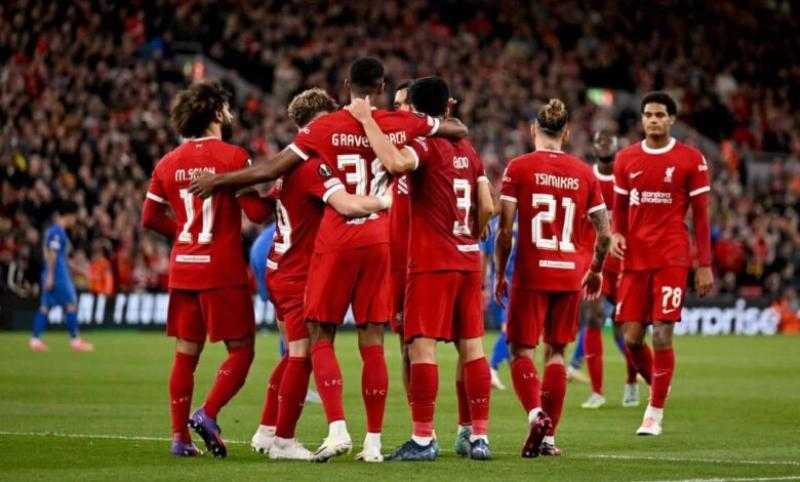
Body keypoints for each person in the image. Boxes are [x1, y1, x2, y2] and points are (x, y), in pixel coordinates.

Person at [188, 57, 468, 463]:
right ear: (382, 86)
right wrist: (439, 128)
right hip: (379, 240)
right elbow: (455, 129)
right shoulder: (396, 122)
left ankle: (331, 429)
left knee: (315, 339)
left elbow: (271, 170)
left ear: (346, 83)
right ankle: (372, 443)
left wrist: (219, 181)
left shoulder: (321, 131)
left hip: (334, 241)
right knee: (372, 343)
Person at [346, 76, 495, 461]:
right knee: (473, 347)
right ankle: (479, 437)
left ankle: (424, 439)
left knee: (420, 347)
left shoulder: (425, 145)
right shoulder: (469, 150)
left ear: (413, 109)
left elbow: (395, 162)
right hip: (468, 257)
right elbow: (487, 205)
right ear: (448, 106)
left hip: (432, 262)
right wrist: (470, 233)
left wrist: (367, 121)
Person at [250, 88, 392, 461]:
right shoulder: (314, 164)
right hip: (300, 270)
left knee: (293, 354)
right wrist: (383, 202)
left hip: (278, 264)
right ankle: (285, 440)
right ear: (322, 119)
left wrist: (238, 186)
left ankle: (267, 430)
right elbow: (345, 204)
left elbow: (259, 209)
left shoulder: (289, 164)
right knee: (302, 352)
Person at [141, 81, 271, 457]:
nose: (229, 114)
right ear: (215, 113)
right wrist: (280, 196)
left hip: (183, 267)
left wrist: (183, 234)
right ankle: (208, 413)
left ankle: (179, 438)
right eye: (225, 108)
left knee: (186, 353)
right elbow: (255, 213)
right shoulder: (233, 156)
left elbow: (149, 217)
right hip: (221, 269)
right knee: (242, 350)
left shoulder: (167, 162)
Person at [495, 98, 611, 457]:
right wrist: (596, 269)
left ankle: (535, 414)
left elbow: (505, 230)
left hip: (531, 272)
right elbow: (605, 234)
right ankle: (549, 439)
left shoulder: (519, 167)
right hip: (569, 275)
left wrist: (500, 272)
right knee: (557, 352)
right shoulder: (584, 173)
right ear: (567, 133)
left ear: (534, 129)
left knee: (520, 350)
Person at [611, 91, 713, 436]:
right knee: (631, 338)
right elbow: (619, 209)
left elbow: (701, 217)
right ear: (642, 119)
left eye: (660, 115)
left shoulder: (691, 159)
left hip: (672, 256)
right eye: (648, 115)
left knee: (662, 331)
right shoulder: (625, 159)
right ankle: (659, 384)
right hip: (635, 259)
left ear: (671, 119)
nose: (653, 120)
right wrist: (617, 234)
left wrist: (704, 264)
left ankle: (653, 413)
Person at [580, 131, 642, 409]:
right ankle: (597, 391)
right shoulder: (586, 178)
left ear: (617, 147)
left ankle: (631, 383)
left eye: (610, 141)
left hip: (623, 263)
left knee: (624, 330)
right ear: (594, 147)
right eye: (600, 141)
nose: (605, 145)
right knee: (592, 318)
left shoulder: (625, 178)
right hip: (595, 262)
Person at [29, 201, 94, 352]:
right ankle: (75, 341)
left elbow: (61, 258)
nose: (75, 221)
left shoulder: (56, 231)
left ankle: (35, 340)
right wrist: (51, 276)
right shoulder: (57, 232)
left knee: (45, 307)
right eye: (74, 217)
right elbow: (52, 254)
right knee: (71, 304)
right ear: (70, 216)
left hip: (54, 273)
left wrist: (80, 271)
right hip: (58, 275)